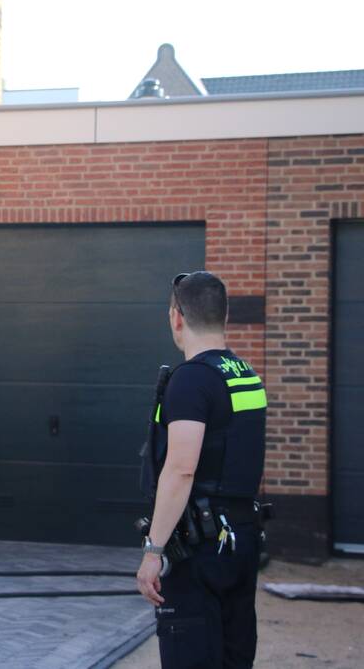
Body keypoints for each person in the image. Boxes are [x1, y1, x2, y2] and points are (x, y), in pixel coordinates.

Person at [137, 271, 268, 668]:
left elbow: (180, 469)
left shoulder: (191, 380)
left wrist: (153, 551)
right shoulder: (246, 374)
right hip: (241, 539)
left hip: (200, 550)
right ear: (224, 316)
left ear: (176, 317)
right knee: (233, 656)